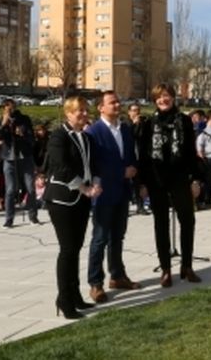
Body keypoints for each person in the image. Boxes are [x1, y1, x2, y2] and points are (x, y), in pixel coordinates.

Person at [135, 83, 202, 287]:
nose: (163, 100)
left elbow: (191, 152)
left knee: (187, 221)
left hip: (180, 178)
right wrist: (142, 183)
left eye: (166, 96)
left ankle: (187, 266)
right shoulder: (148, 123)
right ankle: (165, 268)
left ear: (173, 97)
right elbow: (143, 157)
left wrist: (195, 179)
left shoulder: (184, 120)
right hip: (156, 180)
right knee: (161, 224)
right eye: (159, 97)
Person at [43, 96, 101, 319]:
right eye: (80, 111)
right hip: (62, 199)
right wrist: (83, 188)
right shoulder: (59, 136)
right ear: (68, 113)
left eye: (86, 110)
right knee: (67, 249)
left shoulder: (86, 137)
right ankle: (64, 299)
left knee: (76, 248)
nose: (84, 114)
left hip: (82, 199)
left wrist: (96, 182)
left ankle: (75, 295)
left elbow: (93, 164)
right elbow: (60, 167)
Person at [85, 91, 140, 304]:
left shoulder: (124, 129)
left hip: (122, 191)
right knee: (100, 238)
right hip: (103, 193)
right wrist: (120, 172)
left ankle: (117, 275)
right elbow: (94, 164)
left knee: (117, 236)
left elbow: (130, 155)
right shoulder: (94, 132)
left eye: (118, 101)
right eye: (112, 102)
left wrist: (133, 171)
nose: (117, 105)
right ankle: (95, 283)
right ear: (101, 107)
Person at [0, 99, 39, 228]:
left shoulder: (24, 119)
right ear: (4, 109)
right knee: (10, 190)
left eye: (12, 108)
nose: (10, 110)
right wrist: (3, 124)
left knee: (30, 188)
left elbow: (32, 139)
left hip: (25, 157)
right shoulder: (1, 120)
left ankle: (33, 216)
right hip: (9, 158)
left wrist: (23, 135)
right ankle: (9, 219)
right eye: (7, 108)